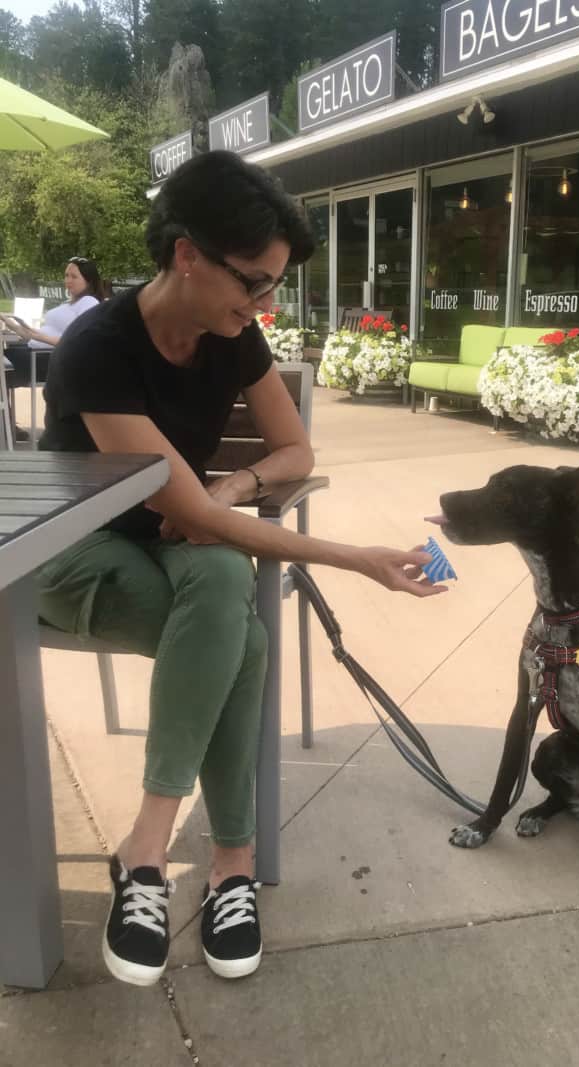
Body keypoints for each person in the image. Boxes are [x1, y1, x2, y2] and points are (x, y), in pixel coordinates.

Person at [36, 150, 445, 988]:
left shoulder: (233, 336)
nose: (265, 303)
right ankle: (221, 860)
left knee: (224, 590)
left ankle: (154, 858)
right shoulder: (98, 348)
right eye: (253, 282)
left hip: (179, 551)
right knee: (238, 634)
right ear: (186, 253)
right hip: (77, 553)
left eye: (272, 286)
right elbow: (186, 516)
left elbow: (294, 447)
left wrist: (240, 480)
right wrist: (359, 559)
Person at [1, 257, 103, 440]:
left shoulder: (89, 303)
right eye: (66, 275)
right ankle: (7, 426)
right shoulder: (68, 304)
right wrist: (12, 324)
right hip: (32, 351)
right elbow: (32, 335)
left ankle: (7, 428)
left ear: (88, 280)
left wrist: (36, 336)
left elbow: (76, 340)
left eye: (74, 276)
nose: (68, 280)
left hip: (46, 358)